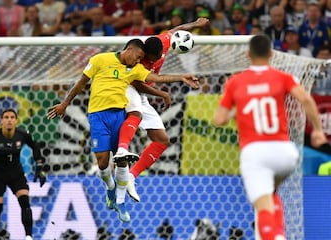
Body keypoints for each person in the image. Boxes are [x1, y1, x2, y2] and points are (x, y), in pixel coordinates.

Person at [47, 38, 198, 223]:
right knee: (102, 163)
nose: (138, 61)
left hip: (118, 116)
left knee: (121, 159)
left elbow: (156, 78)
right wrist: (65, 103)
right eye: (138, 57)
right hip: (97, 117)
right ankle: (110, 188)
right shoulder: (99, 60)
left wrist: (181, 77)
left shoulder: (134, 69)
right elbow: (81, 83)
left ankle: (120, 202)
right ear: (129, 49)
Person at [212, 34, 327, 240]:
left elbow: (218, 119)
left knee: (262, 204)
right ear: (272, 54)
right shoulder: (283, 77)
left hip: (255, 152)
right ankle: (279, 235)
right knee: (271, 192)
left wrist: (235, 110)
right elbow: (306, 99)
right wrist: (317, 130)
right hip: (285, 152)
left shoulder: (236, 82)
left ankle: (272, 236)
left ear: (248, 54)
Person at [112, 18, 209, 202]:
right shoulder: (138, 62)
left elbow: (175, 29)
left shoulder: (163, 42)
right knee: (135, 114)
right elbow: (140, 85)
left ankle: (131, 176)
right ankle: (122, 150)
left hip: (143, 95)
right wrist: (162, 93)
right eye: (153, 58)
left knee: (162, 140)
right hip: (127, 89)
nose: (156, 60)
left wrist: (195, 24)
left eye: (158, 57)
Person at [0, 108, 47, 240]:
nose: (9, 120)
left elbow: (35, 146)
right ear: (1, 121)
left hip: (16, 173)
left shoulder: (23, 135)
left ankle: (29, 236)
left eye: (12, 117)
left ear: (16, 121)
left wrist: (39, 167)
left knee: (25, 201)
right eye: (6, 117)